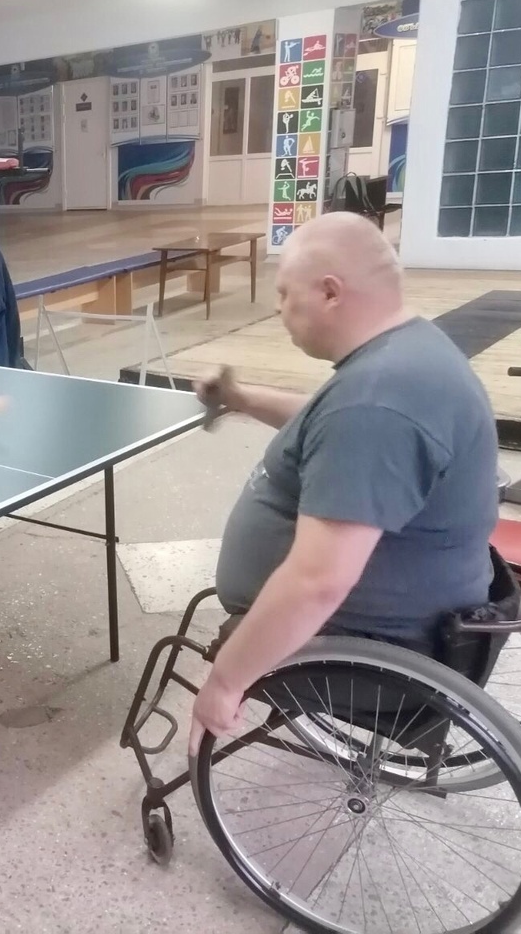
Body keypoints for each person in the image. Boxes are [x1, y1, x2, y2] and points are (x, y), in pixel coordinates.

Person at [187, 212, 501, 753]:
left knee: (232, 664)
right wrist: (241, 398)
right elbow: (327, 425)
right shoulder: (409, 352)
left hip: (379, 644)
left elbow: (319, 582)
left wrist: (226, 681)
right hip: (425, 603)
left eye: (285, 293)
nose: (278, 308)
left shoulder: (376, 401)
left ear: (330, 292)